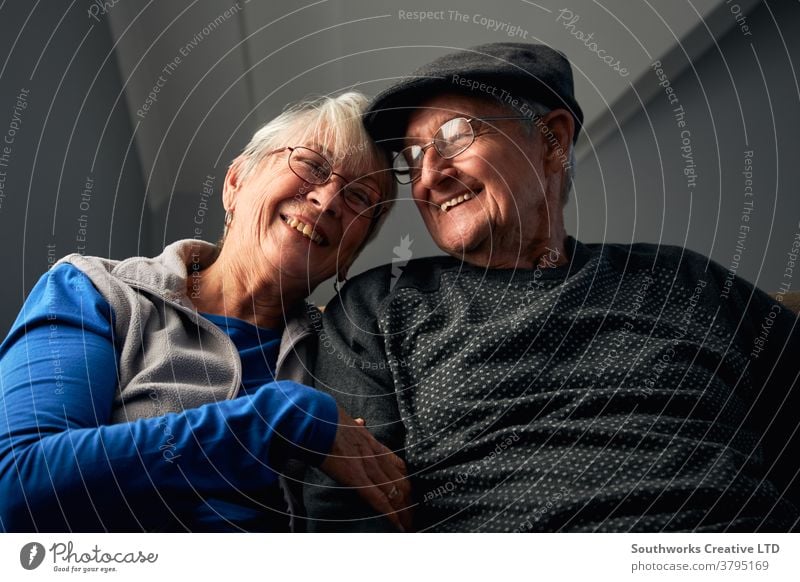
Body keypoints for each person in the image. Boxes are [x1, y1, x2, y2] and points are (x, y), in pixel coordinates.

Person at [303, 44, 800, 532]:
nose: (429, 177)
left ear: (552, 140)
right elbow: (349, 515)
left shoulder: (686, 282)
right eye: (412, 157)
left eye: (454, 137)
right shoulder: (382, 306)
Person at [0, 92, 412, 532]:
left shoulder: (347, 350)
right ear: (235, 182)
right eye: (312, 165)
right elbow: (23, 486)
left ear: (353, 252)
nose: (329, 201)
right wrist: (277, 417)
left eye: (360, 198)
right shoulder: (96, 291)